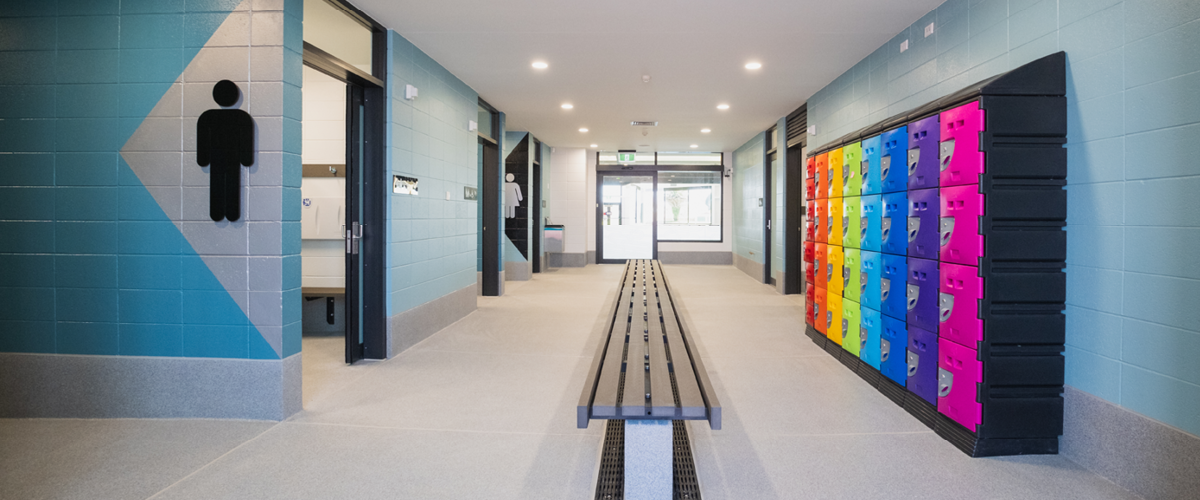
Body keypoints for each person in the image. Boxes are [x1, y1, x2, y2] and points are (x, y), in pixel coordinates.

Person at [197, 80, 255, 222]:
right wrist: (246, 158)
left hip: (216, 158)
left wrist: (203, 159)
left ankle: (218, 213)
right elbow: (247, 141)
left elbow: (202, 142)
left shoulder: (207, 117)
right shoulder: (242, 117)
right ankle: (230, 213)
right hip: (233, 159)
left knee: (217, 183)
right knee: (231, 183)